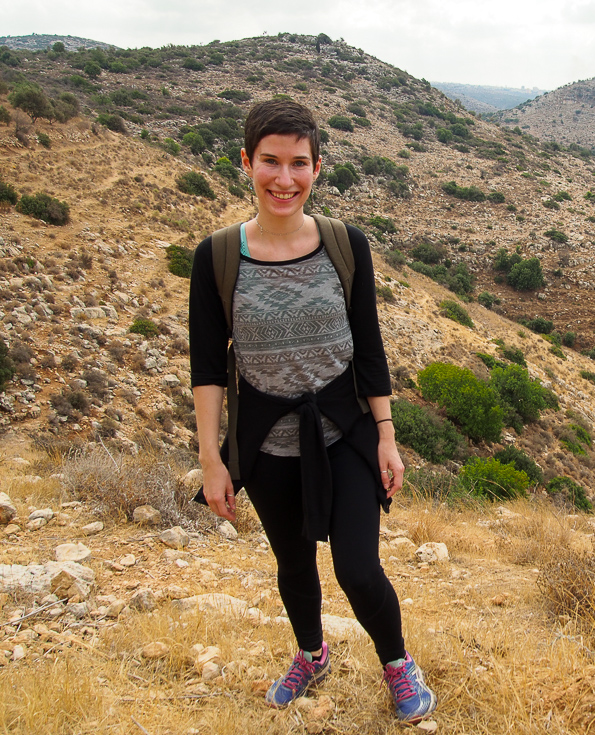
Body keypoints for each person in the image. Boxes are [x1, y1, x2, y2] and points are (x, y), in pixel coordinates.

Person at [188, 99, 436, 722]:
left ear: (317, 168)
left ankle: (398, 664)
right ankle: (311, 652)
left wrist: (386, 434)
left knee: (357, 568)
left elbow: (369, 345)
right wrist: (212, 460)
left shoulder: (343, 245)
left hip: (343, 434)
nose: (283, 178)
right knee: (293, 564)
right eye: (270, 161)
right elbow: (208, 368)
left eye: (299, 163)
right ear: (247, 163)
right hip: (266, 443)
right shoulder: (216, 256)